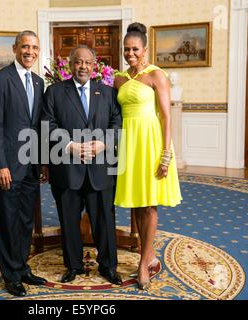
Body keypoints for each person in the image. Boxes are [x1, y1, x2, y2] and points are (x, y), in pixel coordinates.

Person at [43, 45, 123, 285]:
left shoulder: (107, 93)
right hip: (68, 168)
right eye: (78, 62)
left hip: (100, 168)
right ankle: (73, 266)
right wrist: (70, 147)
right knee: (68, 220)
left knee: (105, 221)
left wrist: (104, 144)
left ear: (95, 65)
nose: (83, 67)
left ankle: (108, 266)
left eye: (88, 62)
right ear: (70, 64)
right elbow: (48, 124)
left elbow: (117, 123)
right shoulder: (55, 92)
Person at [113, 23, 182, 290]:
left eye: (135, 49)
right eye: (126, 49)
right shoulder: (118, 78)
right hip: (129, 143)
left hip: (151, 143)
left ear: (145, 49)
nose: (130, 54)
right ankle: (149, 253)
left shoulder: (157, 76)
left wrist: (166, 154)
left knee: (150, 204)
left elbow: (166, 117)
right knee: (136, 202)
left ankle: (143, 264)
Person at [0, 30, 47, 297]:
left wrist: (43, 162)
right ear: (14, 48)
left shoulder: (39, 81)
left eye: (33, 47)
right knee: (8, 220)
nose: (29, 52)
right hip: (8, 165)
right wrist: (0, 164)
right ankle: (10, 275)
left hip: (31, 165)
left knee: (24, 220)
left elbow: (40, 125)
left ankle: (22, 268)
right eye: (24, 46)